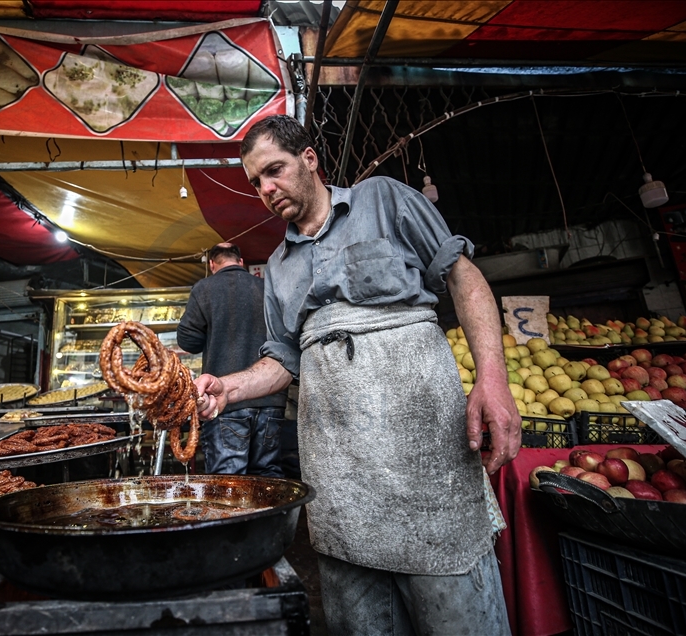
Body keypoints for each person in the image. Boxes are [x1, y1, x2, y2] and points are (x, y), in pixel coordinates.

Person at [193, 115, 521, 635]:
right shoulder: (276, 267)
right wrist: (226, 388)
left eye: (274, 170)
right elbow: (283, 361)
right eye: (256, 182)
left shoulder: (383, 199)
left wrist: (493, 381)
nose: (266, 189)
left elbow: (464, 278)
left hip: (425, 456)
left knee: (456, 608)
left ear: (309, 158)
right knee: (360, 618)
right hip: (339, 475)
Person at [177, 242, 288, 476]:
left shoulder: (204, 289)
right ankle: (269, 515)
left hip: (225, 400)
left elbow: (188, 342)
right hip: (271, 398)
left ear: (212, 264)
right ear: (241, 262)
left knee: (228, 481)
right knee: (268, 477)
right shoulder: (266, 286)